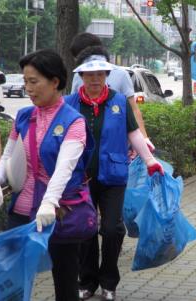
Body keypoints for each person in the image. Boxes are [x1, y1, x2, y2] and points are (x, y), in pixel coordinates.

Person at [0, 49, 94, 301]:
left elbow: (65, 168)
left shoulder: (74, 122)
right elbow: (8, 157)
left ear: (55, 82)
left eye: (33, 81)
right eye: (25, 81)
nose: (28, 88)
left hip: (59, 213)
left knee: (65, 279)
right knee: (11, 279)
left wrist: (49, 202)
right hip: (22, 210)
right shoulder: (23, 116)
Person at [64, 59, 164, 301]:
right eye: (90, 76)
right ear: (81, 78)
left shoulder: (118, 101)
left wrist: (150, 160)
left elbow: (133, 132)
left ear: (107, 76)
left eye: (100, 74)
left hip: (114, 175)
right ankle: (87, 282)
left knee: (111, 228)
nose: (95, 79)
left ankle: (109, 281)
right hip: (81, 177)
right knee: (85, 230)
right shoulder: (69, 103)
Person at [69, 32, 154, 151]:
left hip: (114, 144)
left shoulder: (121, 75)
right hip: (85, 142)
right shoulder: (78, 76)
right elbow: (73, 108)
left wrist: (144, 139)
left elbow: (134, 109)